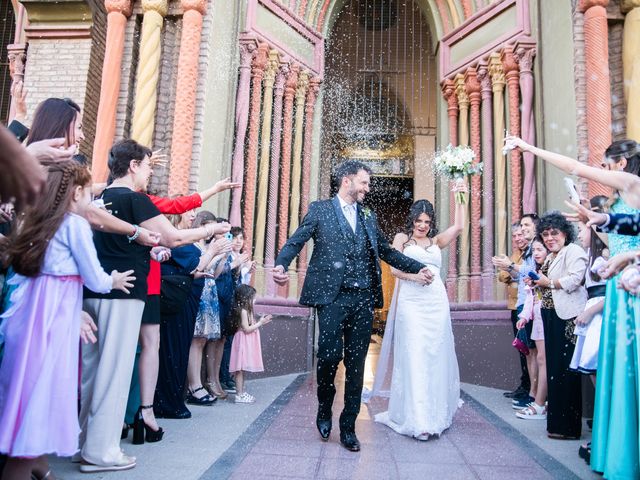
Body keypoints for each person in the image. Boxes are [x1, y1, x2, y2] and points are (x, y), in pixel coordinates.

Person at [78, 140, 220, 472]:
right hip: (125, 291)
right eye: (146, 166)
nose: (148, 173)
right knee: (114, 371)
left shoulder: (99, 198)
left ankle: (83, 443)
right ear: (133, 167)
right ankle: (101, 452)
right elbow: (173, 238)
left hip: (95, 289)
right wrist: (210, 228)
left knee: (91, 371)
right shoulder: (134, 199)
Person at [272, 160, 432, 452]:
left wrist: (417, 266)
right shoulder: (320, 210)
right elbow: (297, 240)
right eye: (364, 182)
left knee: (356, 364)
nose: (367, 188)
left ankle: (348, 427)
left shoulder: (368, 216)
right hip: (331, 297)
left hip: (362, 298)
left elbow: (385, 251)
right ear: (347, 181)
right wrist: (282, 263)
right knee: (329, 357)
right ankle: (324, 409)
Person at [507, 136, 640, 476]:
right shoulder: (626, 200)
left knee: (628, 371)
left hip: (629, 289)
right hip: (619, 289)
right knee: (619, 373)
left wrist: (529, 147)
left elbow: (575, 167)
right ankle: (622, 452)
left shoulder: (631, 182)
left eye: (606, 165)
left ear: (621, 164)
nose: (603, 170)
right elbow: (626, 233)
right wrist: (600, 222)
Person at [0, 161, 134, 480]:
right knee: (41, 398)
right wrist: (112, 280)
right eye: (88, 194)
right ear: (75, 194)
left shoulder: (35, 222)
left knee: (27, 390)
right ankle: (27, 464)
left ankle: (40, 469)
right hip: (54, 320)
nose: (90, 200)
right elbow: (93, 276)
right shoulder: (73, 225)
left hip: (30, 316)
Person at [371, 192, 466, 440]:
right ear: (412, 220)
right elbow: (393, 269)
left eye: (427, 222)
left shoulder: (436, 242)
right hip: (411, 302)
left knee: (434, 354)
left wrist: (460, 193)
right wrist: (415, 276)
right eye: (419, 221)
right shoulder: (402, 239)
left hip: (436, 302)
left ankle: (434, 413)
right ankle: (418, 419)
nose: (422, 226)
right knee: (414, 354)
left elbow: (459, 226)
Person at [154, 211, 231, 418]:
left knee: (180, 348)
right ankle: (167, 402)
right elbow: (191, 267)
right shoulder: (174, 239)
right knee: (173, 350)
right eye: (189, 212)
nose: (192, 216)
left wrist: (214, 256)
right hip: (175, 301)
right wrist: (212, 250)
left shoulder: (184, 238)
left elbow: (192, 270)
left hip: (188, 297)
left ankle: (173, 399)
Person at [531, 211, 587, 440]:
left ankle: (568, 427)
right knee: (554, 369)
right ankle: (556, 425)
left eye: (554, 233)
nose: (550, 238)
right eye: (545, 234)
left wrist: (548, 282)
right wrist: (536, 282)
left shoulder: (573, 251)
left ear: (565, 232)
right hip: (551, 315)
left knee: (565, 369)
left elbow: (575, 279)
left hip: (567, 317)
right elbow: (546, 283)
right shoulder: (554, 255)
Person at [493, 221, 533, 403]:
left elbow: (521, 273)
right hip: (515, 306)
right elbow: (501, 275)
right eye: (515, 236)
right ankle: (526, 385)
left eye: (521, 234)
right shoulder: (516, 254)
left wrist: (510, 268)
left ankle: (531, 390)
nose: (518, 238)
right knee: (522, 348)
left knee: (529, 350)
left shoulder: (530, 253)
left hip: (527, 306)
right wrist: (510, 269)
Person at [514, 237, 549, 420]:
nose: (535, 253)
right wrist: (524, 317)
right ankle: (539, 400)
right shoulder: (536, 272)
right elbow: (530, 297)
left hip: (547, 318)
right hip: (537, 321)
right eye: (533, 250)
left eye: (539, 249)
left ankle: (540, 402)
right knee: (540, 358)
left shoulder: (547, 272)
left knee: (543, 358)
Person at [229, 284, 271, 404]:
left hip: (246, 342)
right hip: (242, 342)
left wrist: (261, 322)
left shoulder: (247, 311)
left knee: (243, 369)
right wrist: (260, 323)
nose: (254, 300)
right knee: (240, 369)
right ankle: (239, 395)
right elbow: (246, 329)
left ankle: (242, 392)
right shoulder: (243, 311)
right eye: (252, 298)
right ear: (245, 298)